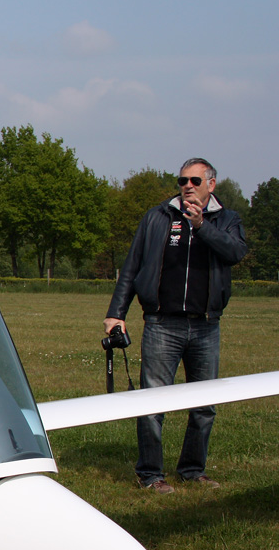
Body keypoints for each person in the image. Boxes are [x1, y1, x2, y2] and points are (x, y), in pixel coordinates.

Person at [104, 158, 247, 494]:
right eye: (182, 180)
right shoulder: (158, 217)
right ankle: (151, 474)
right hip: (161, 324)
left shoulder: (226, 219)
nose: (187, 185)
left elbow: (235, 252)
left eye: (195, 180)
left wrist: (201, 226)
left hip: (206, 326)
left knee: (204, 406)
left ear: (211, 184)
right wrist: (116, 313)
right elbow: (132, 266)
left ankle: (193, 470)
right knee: (153, 403)